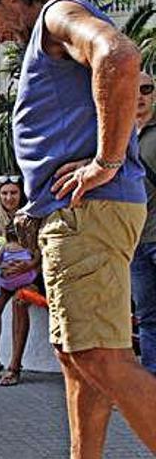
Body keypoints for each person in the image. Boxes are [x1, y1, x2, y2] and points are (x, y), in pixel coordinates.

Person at [0, 0, 156, 456]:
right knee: (77, 356)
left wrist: (105, 162)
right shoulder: (51, 33)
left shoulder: (55, 15)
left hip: (87, 211)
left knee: (98, 355)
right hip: (79, 214)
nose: (2, 37)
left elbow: (118, 54)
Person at [0, 176, 37, 386]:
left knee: (20, 302)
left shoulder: (31, 216)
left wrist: (28, 266)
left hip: (28, 274)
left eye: (13, 193)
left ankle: (15, 366)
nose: (9, 197)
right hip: (2, 274)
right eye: (4, 193)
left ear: (21, 194)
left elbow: (41, 251)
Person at [132, 71, 156, 374]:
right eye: (133, 88)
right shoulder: (115, 135)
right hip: (134, 242)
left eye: (147, 89)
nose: (140, 95)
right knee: (148, 317)